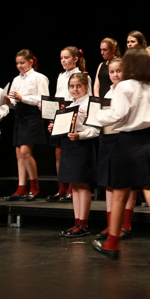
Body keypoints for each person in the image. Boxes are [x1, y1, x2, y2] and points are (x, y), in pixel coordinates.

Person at [92, 49, 150, 264]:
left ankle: (111, 243)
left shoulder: (124, 87)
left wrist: (96, 116)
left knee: (119, 195)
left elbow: (117, 115)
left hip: (128, 142)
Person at [49, 73, 98, 237]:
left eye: (78, 86)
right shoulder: (68, 105)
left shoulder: (91, 104)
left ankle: (83, 224)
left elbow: (96, 130)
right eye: (72, 86)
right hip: (69, 146)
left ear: (86, 87)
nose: (75, 89)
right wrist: (55, 128)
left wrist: (80, 135)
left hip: (83, 147)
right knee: (74, 187)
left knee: (82, 185)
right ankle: (77, 222)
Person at [94, 58, 136, 240]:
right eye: (112, 72)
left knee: (127, 184)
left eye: (119, 71)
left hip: (124, 139)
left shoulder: (129, 90)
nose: (115, 75)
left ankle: (125, 224)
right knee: (109, 183)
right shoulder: (108, 92)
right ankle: (111, 224)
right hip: (107, 140)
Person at [4, 49, 48, 201]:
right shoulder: (16, 80)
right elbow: (14, 101)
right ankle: (21, 187)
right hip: (20, 114)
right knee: (18, 154)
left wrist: (23, 98)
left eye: (22, 63)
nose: (19, 66)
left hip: (32, 115)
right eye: (17, 63)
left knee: (25, 152)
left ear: (30, 62)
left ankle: (35, 186)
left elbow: (43, 99)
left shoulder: (39, 77)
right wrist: (9, 101)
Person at [47, 46, 89, 203]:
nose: (63, 61)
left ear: (75, 59)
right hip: (61, 115)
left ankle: (72, 188)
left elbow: (86, 98)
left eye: (66, 58)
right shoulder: (61, 76)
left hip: (73, 115)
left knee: (70, 153)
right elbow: (58, 97)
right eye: (61, 58)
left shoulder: (82, 76)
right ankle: (62, 188)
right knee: (59, 154)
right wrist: (50, 112)